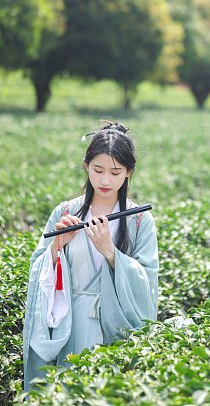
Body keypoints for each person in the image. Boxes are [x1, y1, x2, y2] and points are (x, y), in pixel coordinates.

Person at [23, 121, 159, 391]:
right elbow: (38, 270)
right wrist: (56, 247)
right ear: (86, 166)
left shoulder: (140, 220)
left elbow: (147, 280)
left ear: (128, 173)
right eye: (98, 170)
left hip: (114, 328)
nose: (105, 180)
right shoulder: (64, 212)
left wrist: (110, 252)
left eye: (115, 172)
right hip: (68, 324)